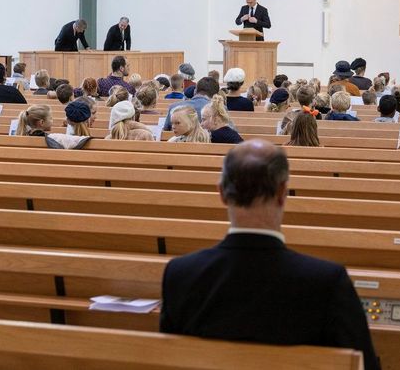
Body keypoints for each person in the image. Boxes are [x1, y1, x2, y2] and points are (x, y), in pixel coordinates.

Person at [159, 140, 378, 367]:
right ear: (283, 192)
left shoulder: (180, 274)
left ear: (222, 193)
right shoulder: (326, 281)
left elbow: (170, 361)